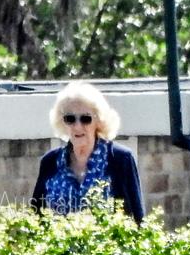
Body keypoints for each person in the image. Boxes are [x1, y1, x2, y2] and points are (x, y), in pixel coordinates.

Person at [31, 81, 144, 222]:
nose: (77, 126)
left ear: (98, 120)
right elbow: (35, 218)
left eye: (85, 119)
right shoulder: (50, 162)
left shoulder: (121, 160)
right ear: (62, 121)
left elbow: (138, 218)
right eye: (70, 119)